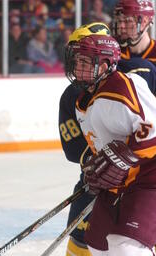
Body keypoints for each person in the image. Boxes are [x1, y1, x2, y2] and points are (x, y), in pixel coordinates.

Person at [59, 22, 156, 256]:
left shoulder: (124, 87)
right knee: (97, 245)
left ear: (104, 64)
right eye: (76, 61)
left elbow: (152, 130)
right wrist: (96, 167)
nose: (76, 67)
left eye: (84, 62)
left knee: (126, 247)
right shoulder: (82, 99)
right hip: (117, 185)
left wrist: (122, 159)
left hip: (147, 180)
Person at [112, 0, 156, 66]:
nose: (121, 26)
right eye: (119, 21)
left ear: (144, 21)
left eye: (127, 21)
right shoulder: (112, 50)